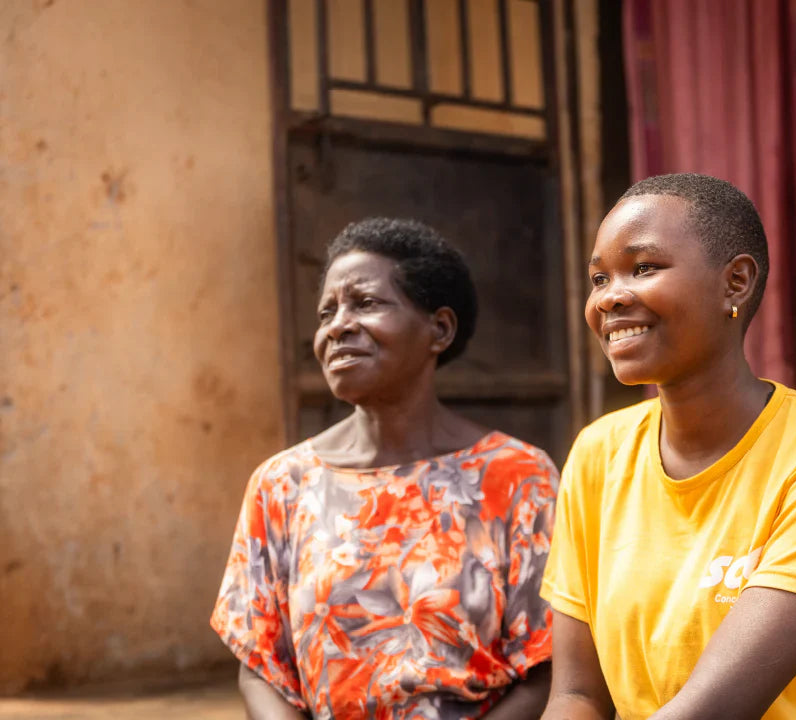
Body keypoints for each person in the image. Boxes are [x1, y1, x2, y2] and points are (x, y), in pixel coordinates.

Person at [539, 173, 796, 720]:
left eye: (643, 268)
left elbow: (713, 710)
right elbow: (577, 696)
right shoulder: (599, 454)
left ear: (735, 282)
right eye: (599, 278)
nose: (611, 297)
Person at [212, 218, 557, 720]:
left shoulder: (518, 476)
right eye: (327, 311)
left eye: (366, 303)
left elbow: (548, 668)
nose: (338, 326)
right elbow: (261, 666)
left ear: (439, 329)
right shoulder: (282, 484)